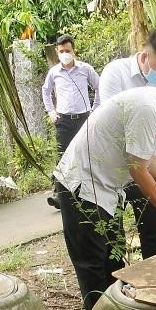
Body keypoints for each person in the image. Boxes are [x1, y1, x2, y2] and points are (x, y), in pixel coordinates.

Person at [54, 78, 156, 310]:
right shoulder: (148, 108)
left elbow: (148, 160)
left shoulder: (153, 105)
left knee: (112, 262)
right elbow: (137, 169)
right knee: (94, 266)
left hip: (104, 191)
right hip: (82, 188)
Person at [98, 28, 156, 259]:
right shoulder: (115, 73)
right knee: (112, 236)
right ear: (145, 56)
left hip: (147, 163)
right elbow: (116, 125)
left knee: (154, 229)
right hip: (114, 167)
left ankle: (155, 280)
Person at [41, 34, 100, 209]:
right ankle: (61, 195)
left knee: (86, 154)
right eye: (61, 51)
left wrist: (95, 110)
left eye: (68, 50)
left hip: (84, 119)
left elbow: (99, 86)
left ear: (74, 51)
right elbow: (46, 92)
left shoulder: (85, 69)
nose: (65, 54)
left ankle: (89, 193)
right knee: (63, 157)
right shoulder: (54, 72)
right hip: (64, 120)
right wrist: (51, 111)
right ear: (57, 52)